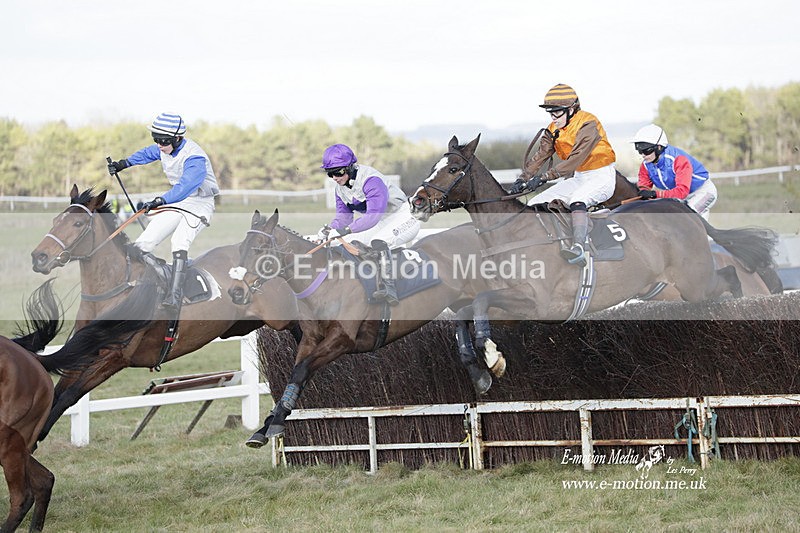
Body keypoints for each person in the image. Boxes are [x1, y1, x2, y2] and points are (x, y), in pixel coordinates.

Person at [107, 112, 219, 309]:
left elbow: (185, 186)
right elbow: (147, 153)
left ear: (177, 138)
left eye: (163, 140)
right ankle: (150, 285)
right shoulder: (163, 148)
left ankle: (175, 297)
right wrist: (123, 164)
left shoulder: (195, 158)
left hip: (199, 203)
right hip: (178, 201)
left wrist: (161, 200)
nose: (159, 144)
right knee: (142, 244)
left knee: (179, 242)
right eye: (156, 139)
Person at [510, 83, 617, 266]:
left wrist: (544, 177)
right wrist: (523, 179)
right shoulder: (553, 129)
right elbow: (540, 156)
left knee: (578, 200)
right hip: (580, 177)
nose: (553, 116)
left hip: (601, 176)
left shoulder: (588, 123)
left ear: (572, 109)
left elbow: (575, 159)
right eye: (550, 112)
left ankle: (579, 247)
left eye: (557, 112)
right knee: (536, 203)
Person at [316, 143, 420, 305]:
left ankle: (390, 288)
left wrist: (345, 230)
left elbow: (373, 217)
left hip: (403, 216)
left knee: (379, 241)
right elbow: (343, 218)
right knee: (347, 242)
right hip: (383, 221)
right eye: (330, 174)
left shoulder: (371, 181)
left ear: (350, 167)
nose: (335, 178)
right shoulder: (340, 188)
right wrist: (329, 230)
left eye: (338, 172)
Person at [632, 124, 717, 219]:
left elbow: (682, 191)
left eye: (646, 151)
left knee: (687, 219)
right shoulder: (646, 165)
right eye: (640, 151)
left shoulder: (678, 160)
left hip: (702, 192)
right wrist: (643, 192)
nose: (643, 155)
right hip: (679, 197)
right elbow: (644, 186)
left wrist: (655, 194)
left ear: (659, 147)